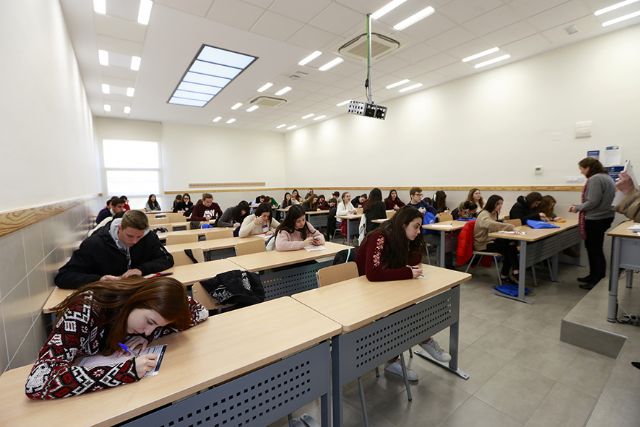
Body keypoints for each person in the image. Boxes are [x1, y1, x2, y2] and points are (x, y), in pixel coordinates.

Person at [25, 277, 208, 400]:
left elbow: (200, 312)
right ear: (138, 299)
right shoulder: (84, 310)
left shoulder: (138, 311)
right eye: (149, 322)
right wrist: (127, 371)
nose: (146, 332)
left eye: (156, 326)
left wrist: (152, 335)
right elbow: (38, 382)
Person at [356, 206, 451, 380]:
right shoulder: (380, 236)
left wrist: (415, 240)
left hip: (383, 285)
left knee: (409, 305)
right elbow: (373, 273)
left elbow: (413, 261)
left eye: (420, 227)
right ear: (402, 225)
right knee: (400, 312)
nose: (418, 230)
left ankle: (421, 339)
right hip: (362, 290)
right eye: (415, 226)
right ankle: (402, 354)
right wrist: (406, 272)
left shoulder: (400, 238)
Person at [55, 210, 174, 289]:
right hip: (108, 298)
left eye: (139, 236)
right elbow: (63, 277)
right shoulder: (94, 243)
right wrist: (99, 280)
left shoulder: (149, 237)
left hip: (140, 291)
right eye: (130, 236)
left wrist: (141, 270)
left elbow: (167, 259)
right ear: (120, 228)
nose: (134, 241)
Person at [569, 157, 615, 290]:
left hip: (596, 219)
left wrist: (577, 207)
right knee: (596, 249)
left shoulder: (595, 179)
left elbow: (593, 201)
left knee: (594, 249)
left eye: (582, 169)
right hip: (605, 217)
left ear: (588, 167)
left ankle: (596, 278)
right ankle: (594, 275)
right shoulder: (607, 177)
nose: (581, 172)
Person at [474, 195, 519, 283]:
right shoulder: (484, 213)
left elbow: (494, 227)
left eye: (501, 203)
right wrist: (509, 226)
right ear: (492, 204)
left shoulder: (494, 213)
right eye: (498, 204)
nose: (500, 206)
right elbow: (490, 224)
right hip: (482, 244)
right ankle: (512, 273)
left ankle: (513, 272)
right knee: (510, 249)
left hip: (491, 240)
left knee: (511, 246)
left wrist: (503, 225)